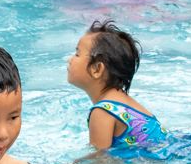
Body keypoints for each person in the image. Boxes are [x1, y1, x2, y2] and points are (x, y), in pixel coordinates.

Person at [68, 20, 170, 154]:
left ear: (97, 69)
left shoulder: (103, 111)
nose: (69, 59)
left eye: (77, 54)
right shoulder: (124, 102)